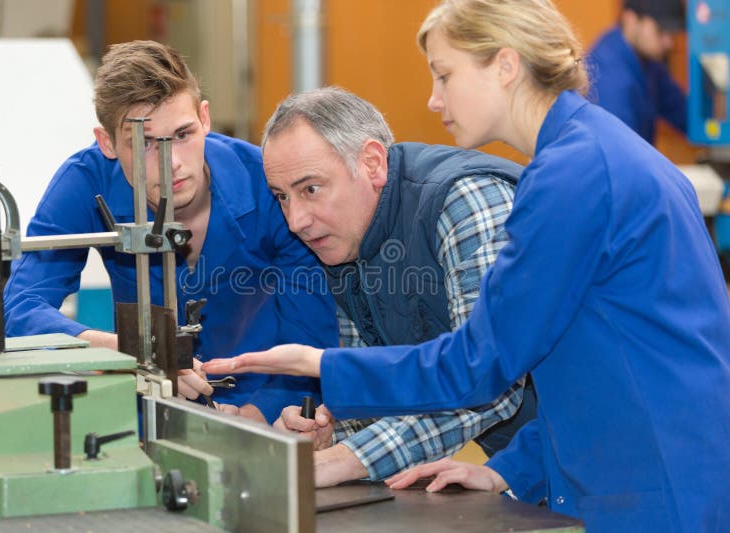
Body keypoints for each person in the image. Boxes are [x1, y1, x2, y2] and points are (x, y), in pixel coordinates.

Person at [203, 1, 730, 531]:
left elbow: (482, 362)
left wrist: (321, 365)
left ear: (505, 65)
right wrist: (510, 470)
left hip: (654, 483)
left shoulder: (573, 175)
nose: (434, 99)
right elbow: (581, 363)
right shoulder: (589, 152)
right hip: (636, 468)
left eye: (444, 74)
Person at [3, 40, 338, 423]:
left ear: (205, 118)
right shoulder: (85, 182)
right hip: (144, 403)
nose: (172, 162)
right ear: (107, 143)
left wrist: (258, 415)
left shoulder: (266, 183)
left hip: (264, 399)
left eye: (183, 134)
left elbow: (311, 331)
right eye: (144, 143)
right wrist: (132, 352)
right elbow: (20, 311)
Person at [260, 87, 532, 487]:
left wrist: (346, 459)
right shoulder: (344, 241)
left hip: (599, 459)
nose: (295, 220)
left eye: (311, 189)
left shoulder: (466, 201)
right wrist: (330, 435)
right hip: (531, 468)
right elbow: (386, 395)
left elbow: (493, 382)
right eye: (282, 197)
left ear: (372, 163)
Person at [588, 0, 687, 144]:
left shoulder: (650, 62)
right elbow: (620, 150)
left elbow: (683, 113)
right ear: (631, 20)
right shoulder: (610, 79)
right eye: (660, 31)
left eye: (672, 33)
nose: (669, 43)